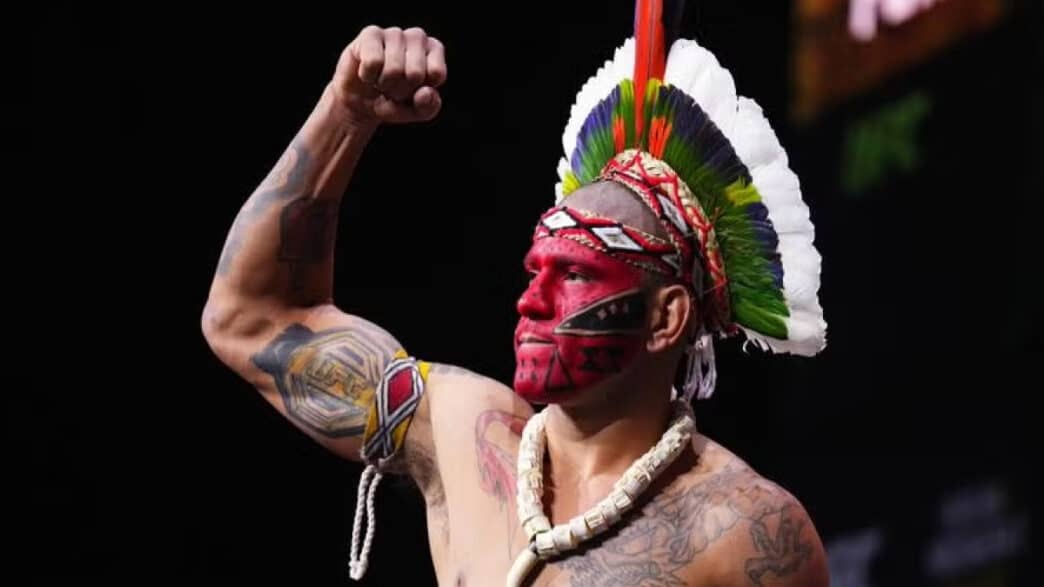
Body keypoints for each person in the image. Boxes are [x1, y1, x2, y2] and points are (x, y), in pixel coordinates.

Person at [202, 6, 831, 586]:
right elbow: (248, 319)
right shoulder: (461, 431)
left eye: (575, 276)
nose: (531, 301)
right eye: (535, 272)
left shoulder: (744, 531)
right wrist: (344, 114)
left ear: (666, 316)